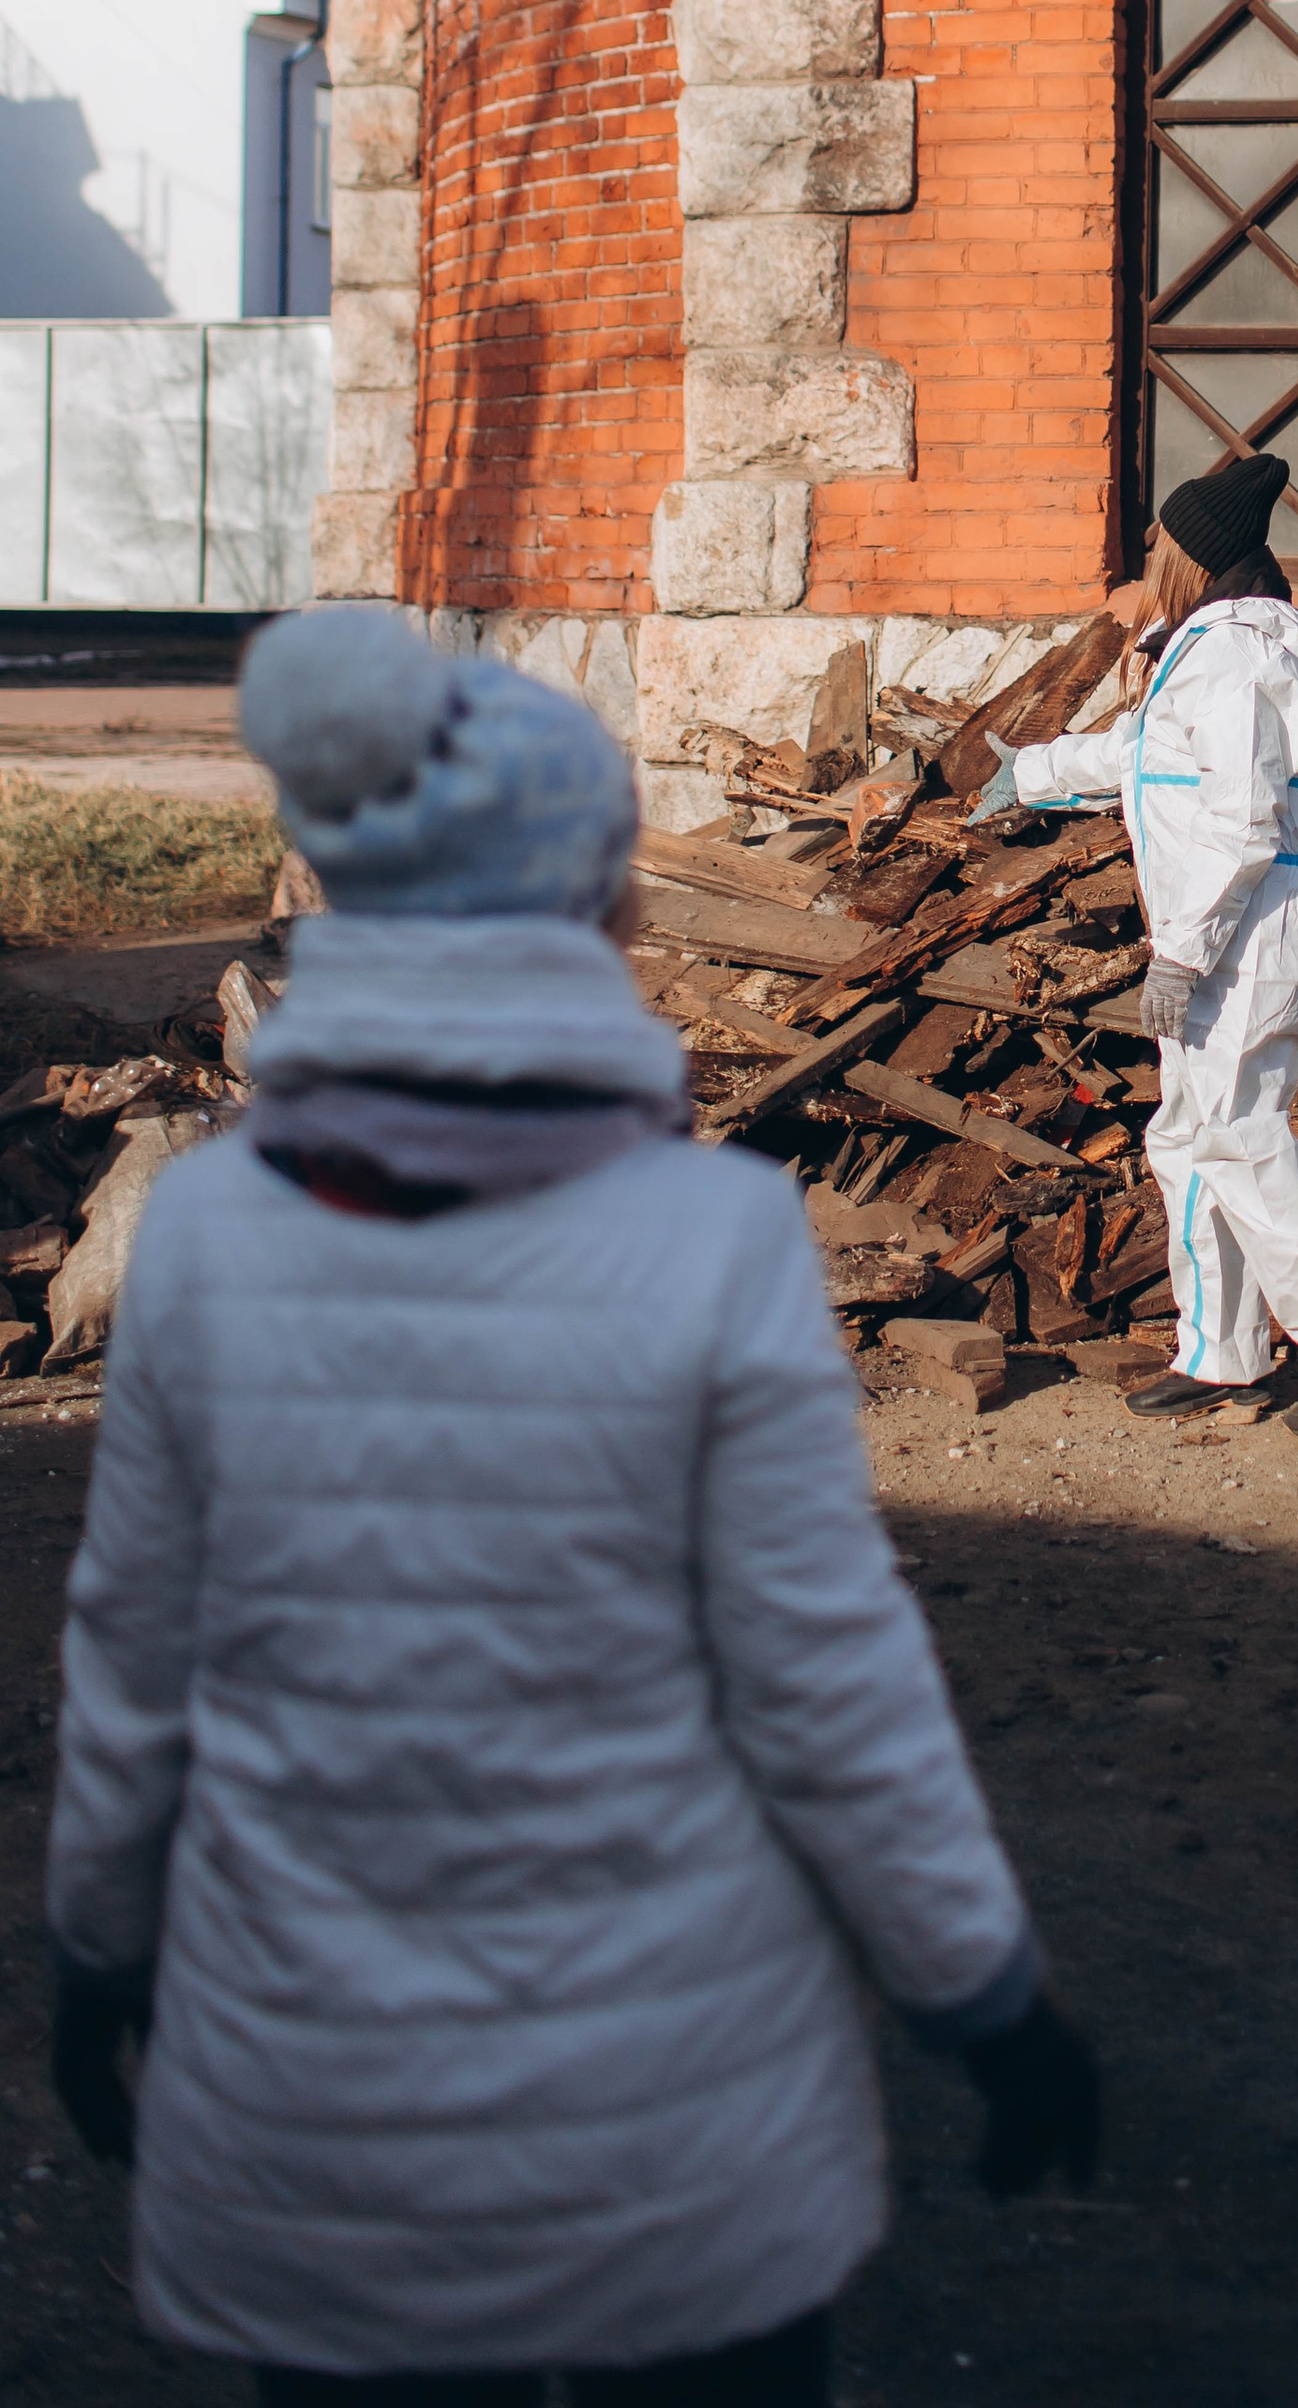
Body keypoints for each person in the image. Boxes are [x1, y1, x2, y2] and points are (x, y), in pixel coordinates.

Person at [47, 608, 1097, 2408]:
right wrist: (979, 1991)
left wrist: (97, 1938)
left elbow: (141, 1640)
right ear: (603, 924)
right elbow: (822, 1676)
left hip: (324, 2097)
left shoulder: (217, 1233)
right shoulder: (710, 1238)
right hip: (671, 2112)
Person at [974, 454, 1298, 1443]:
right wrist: (1033, 774)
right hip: (1234, 926)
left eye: (1157, 544)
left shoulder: (1233, 658)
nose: (1146, 557)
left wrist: (1184, 953)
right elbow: (1146, 757)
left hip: (1249, 926)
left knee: (1235, 1130)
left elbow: (1238, 823)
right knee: (1187, 1138)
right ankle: (1218, 1355)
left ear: (1194, 556)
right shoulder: (1208, 654)